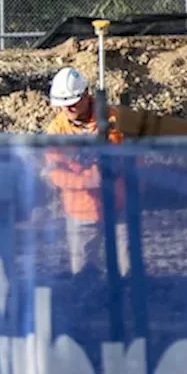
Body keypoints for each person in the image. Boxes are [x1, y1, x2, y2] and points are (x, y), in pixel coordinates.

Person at [42, 67, 129, 277]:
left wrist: (114, 166)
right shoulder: (57, 131)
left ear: (86, 94)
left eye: (73, 102)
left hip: (118, 206)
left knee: (128, 269)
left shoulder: (113, 120)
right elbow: (54, 173)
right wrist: (85, 181)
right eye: (64, 104)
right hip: (82, 211)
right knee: (83, 273)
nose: (69, 108)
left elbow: (134, 156)